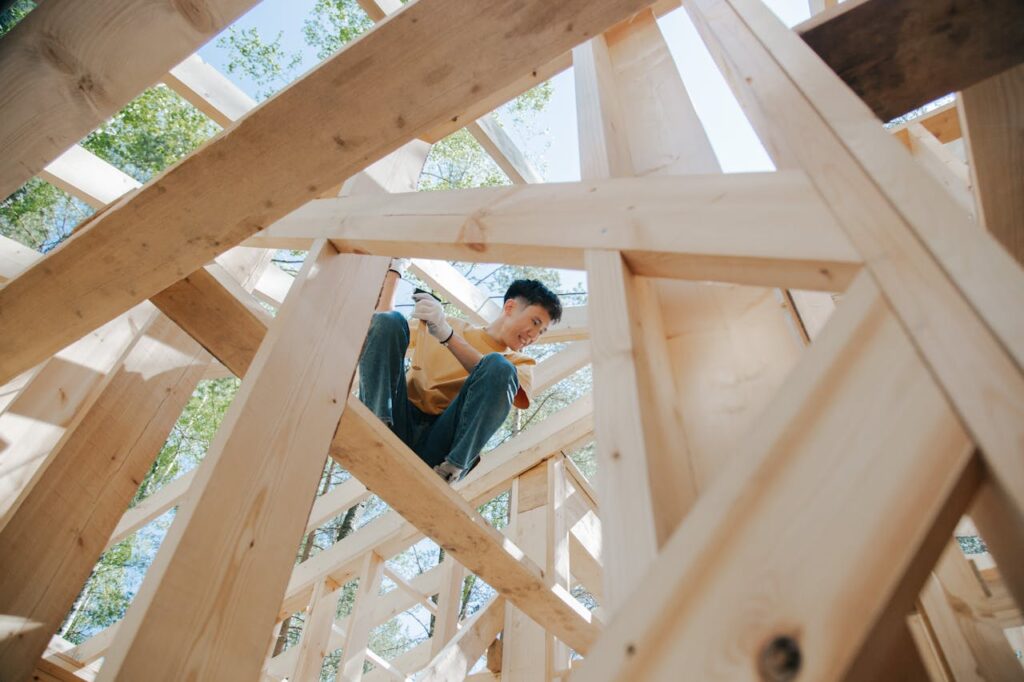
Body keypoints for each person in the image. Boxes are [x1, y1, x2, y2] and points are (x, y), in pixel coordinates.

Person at [358, 260, 562, 483]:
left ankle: (452, 470)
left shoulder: (519, 363)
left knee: (499, 366)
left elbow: (492, 374)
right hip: (396, 418)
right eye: (534, 322)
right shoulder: (452, 325)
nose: (534, 336)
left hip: (441, 449)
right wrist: (394, 272)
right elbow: (380, 330)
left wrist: (446, 335)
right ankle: (375, 424)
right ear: (510, 307)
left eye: (541, 331)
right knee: (390, 320)